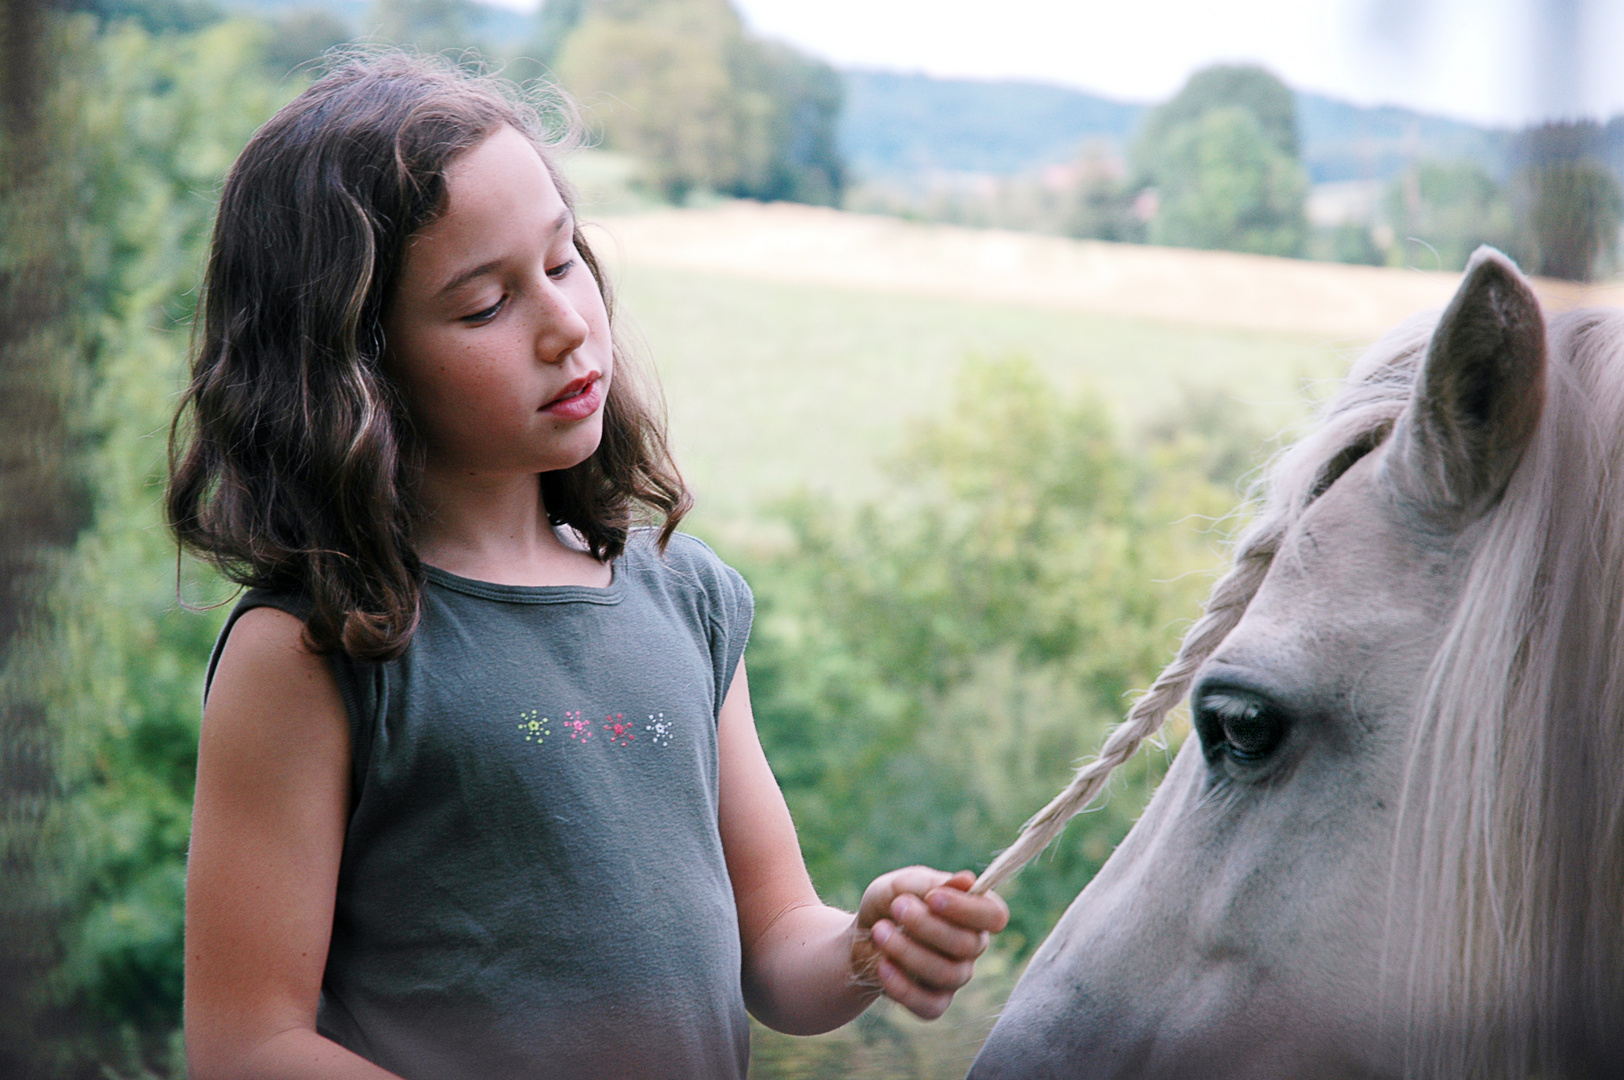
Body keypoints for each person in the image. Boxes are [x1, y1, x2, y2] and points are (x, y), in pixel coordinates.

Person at [171, 51, 1009, 1080]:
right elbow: (244, 1046)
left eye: (563, 263)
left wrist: (864, 945)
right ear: (353, 372)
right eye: (485, 305)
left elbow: (778, 945)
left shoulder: (686, 598)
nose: (566, 325)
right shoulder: (307, 650)